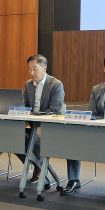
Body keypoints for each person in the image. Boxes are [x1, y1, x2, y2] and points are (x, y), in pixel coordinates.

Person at [60, 53, 105, 201]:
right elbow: (92, 113)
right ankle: (73, 180)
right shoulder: (96, 89)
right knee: (73, 139)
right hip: (96, 130)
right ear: (104, 68)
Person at [15, 54, 65, 183]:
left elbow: (54, 111)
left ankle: (38, 169)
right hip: (32, 124)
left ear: (44, 68)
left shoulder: (56, 85)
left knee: (34, 140)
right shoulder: (28, 84)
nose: (31, 73)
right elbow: (24, 106)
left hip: (48, 125)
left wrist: (34, 116)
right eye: (29, 69)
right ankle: (38, 166)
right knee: (13, 138)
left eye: (34, 69)